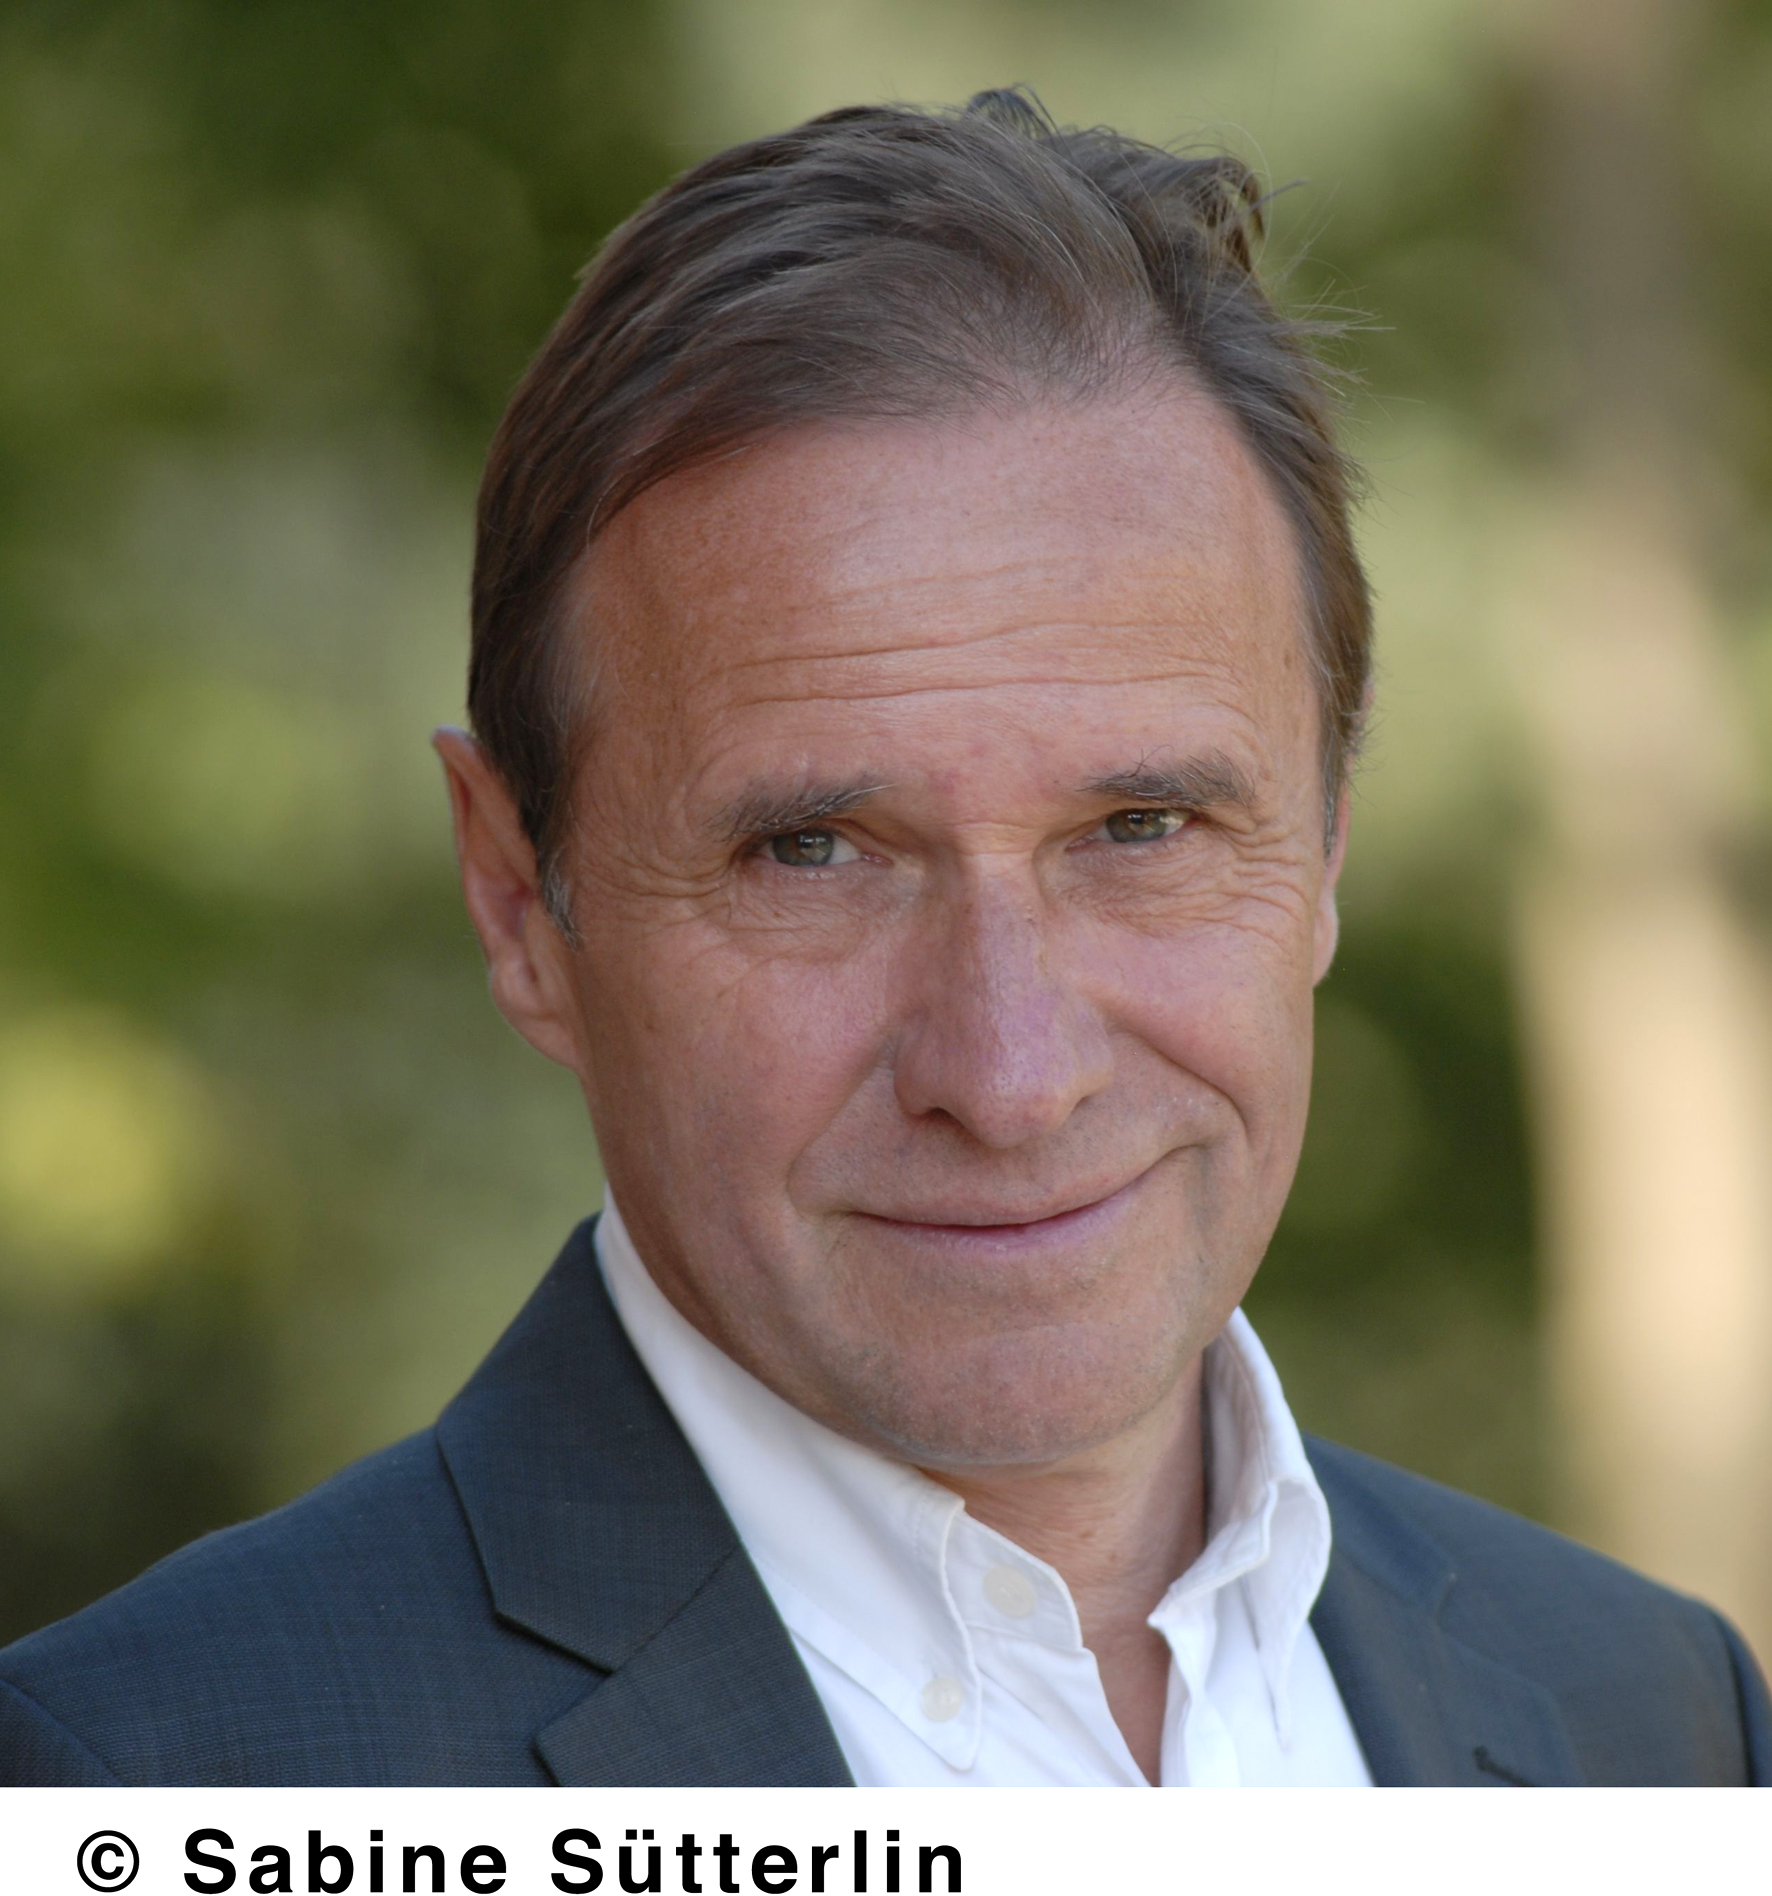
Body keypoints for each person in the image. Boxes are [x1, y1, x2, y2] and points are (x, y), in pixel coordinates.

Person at [1, 89, 1766, 1789]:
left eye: (1141, 829)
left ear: (1324, 843)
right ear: (520, 901)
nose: (1009, 1076)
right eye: (813, 853)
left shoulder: (1656, 1725)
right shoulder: (141, 1796)